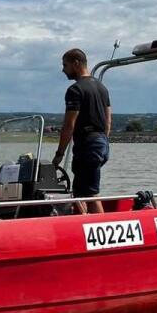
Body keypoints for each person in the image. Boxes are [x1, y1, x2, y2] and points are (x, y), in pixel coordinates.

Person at [52, 48, 111, 214]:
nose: (63, 69)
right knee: (80, 192)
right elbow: (108, 122)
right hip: (101, 143)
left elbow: (69, 125)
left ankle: (101, 233)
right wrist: (102, 142)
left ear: (76, 64)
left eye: (65, 65)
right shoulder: (102, 88)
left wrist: (59, 154)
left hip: (88, 145)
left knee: (90, 195)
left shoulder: (75, 90)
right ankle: (82, 226)